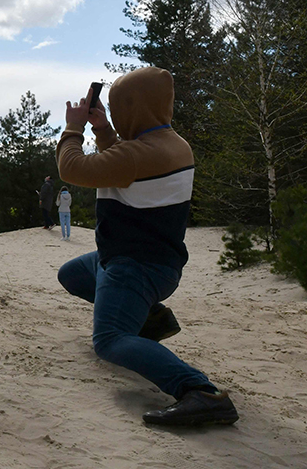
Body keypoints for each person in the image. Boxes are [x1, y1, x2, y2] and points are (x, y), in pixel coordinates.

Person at [55, 67, 238, 427]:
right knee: (73, 274)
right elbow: (127, 167)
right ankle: (148, 319)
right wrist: (105, 130)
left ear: (132, 108)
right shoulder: (170, 144)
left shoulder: (137, 155)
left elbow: (71, 168)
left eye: (118, 107)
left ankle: (201, 392)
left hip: (135, 266)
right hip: (145, 260)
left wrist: (73, 127)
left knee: (108, 340)